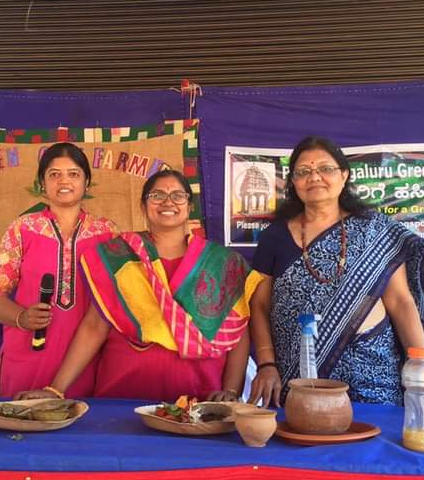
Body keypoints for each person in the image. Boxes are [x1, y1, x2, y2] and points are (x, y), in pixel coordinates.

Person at [16, 169, 263, 402]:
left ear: (189, 207)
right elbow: (94, 327)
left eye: (178, 195)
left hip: (198, 405)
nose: (168, 202)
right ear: (143, 206)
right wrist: (55, 389)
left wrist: (230, 391)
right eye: (157, 195)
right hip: (122, 400)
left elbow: (237, 332)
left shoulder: (223, 263)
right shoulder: (119, 255)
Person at [247, 136, 424, 411]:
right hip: (300, 376)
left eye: (325, 169)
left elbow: (401, 302)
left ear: (344, 175)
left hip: (372, 374)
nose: (314, 177)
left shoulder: (375, 231)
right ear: (293, 182)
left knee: (375, 446)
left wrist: (423, 371)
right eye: (303, 171)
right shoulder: (274, 237)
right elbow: (258, 304)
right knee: (304, 446)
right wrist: (267, 364)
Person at [0, 142, 117, 398]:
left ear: (87, 182)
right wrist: (20, 316)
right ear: (42, 183)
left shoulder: (106, 233)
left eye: (74, 174)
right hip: (28, 354)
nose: (64, 181)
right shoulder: (23, 228)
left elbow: (116, 303)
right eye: (54, 174)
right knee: (19, 426)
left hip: (84, 358)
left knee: (79, 431)